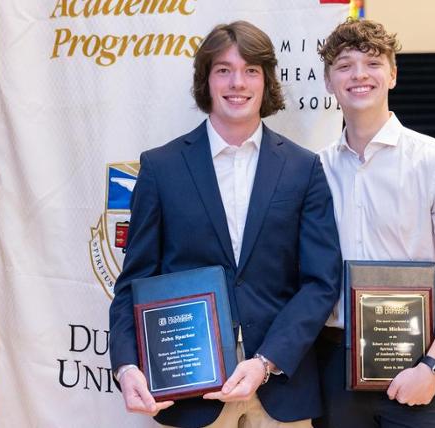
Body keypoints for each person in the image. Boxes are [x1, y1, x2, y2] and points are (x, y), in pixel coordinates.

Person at [108, 20, 342, 428]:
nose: (238, 82)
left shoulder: (304, 168)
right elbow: (134, 281)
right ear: (206, 80)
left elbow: (321, 282)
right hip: (188, 398)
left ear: (267, 81)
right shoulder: (161, 168)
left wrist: (266, 362)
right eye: (224, 70)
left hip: (280, 394)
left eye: (251, 70)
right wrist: (127, 367)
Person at [314, 18, 435, 428]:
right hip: (334, 364)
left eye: (373, 63)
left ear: (393, 74)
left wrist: (430, 367)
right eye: (344, 65)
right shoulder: (316, 169)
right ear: (328, 82)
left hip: (419, 362)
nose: (359, 75)